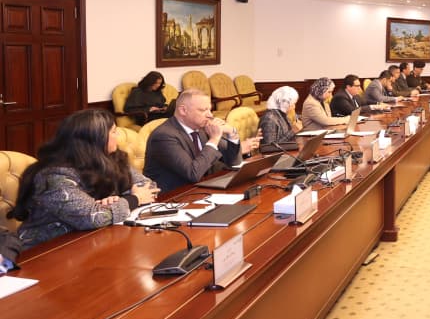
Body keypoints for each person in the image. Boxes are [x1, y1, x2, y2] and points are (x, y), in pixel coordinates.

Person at [9, 109, 157, 248]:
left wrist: (118, 200)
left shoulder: (112, 158)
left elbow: (148, 187)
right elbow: (92, 217)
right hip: (46, 250)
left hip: (95, 240)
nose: (118, 136)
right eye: (113, 132)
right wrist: (133, 199)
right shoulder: (54, 175)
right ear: (94, 139)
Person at [144, 88, 260, 192]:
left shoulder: (201, 128)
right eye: (203, 110)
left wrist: (232, 133)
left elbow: (234, 162)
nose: (210, 115)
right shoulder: (164, 136)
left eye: (210, 109)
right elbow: (193, 174)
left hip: (203, 189)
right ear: (183, 110)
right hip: (174, 197)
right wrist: (214, 139)